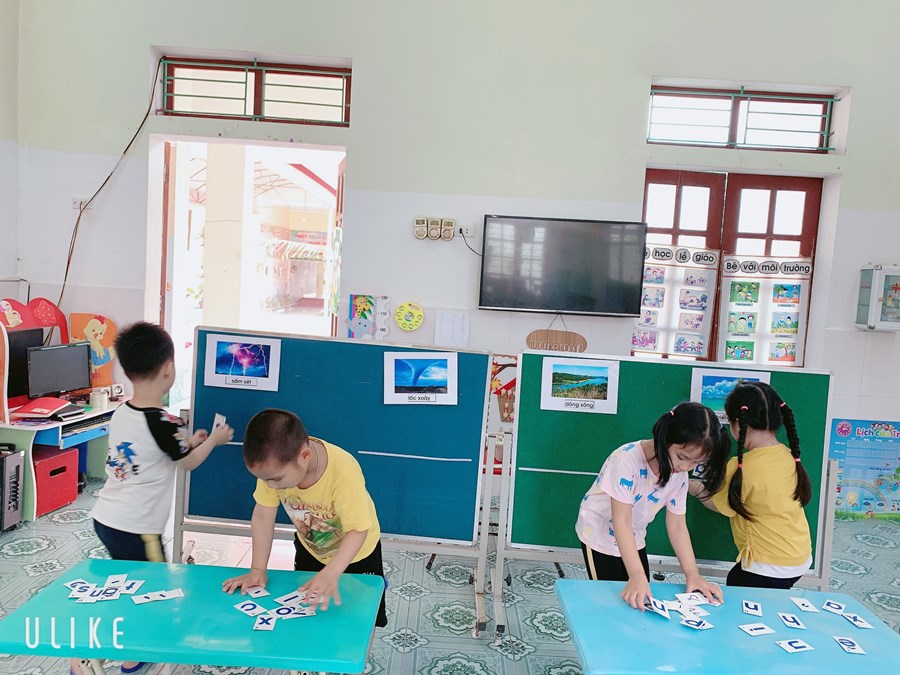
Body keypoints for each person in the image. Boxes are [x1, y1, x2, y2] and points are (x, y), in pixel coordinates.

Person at [78, 322, 234, 675]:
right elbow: (188, 463)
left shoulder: (124, 411)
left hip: (106, 518)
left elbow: (152, 450)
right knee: (153, 589)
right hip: (137, 528)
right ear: (168, 369)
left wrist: (188, 440)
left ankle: (111, 644)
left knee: (130, 582)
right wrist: (213, 440)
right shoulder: (164, 421)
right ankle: (116, 652)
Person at [222, 409, 387, 628]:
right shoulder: (273, 468)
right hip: (311, 549)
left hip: (358, 554)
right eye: (265, 480)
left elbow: (357, 531)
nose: (271, 486)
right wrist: (258, 570)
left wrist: (332, 571)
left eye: (276, 479)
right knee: (308, 611)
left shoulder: (343, 472)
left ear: (305, 456)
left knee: (362, 619)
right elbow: (263, 516)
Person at [575, 402, 730, 610]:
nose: (685, 467)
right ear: (666, 438)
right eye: (681, 457)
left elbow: (677, 525)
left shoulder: (679, 475)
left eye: (695, 463)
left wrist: (692, 574)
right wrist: (636, 575)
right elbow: (621, 521)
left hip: (634, 534)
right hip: (599, 533)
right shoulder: (625, 460)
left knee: (639, 596)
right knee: (610, 602)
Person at [689, 382, 812, 589]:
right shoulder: (788, 455)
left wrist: (694, 487)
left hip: (767, 565)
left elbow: (719, 505)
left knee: (738, 587)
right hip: (800, 557)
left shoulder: (741, 466)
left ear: (738, 424)